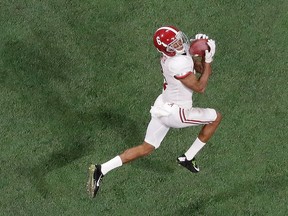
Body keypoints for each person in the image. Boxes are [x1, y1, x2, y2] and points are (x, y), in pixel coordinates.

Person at [87, 26, 222, 198]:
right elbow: (200, 86)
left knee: (147, 147)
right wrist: (208, 59)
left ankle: (101, 169)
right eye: (175, 43)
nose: (180, 43)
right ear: (168, 49)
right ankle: (188, 157)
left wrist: (201, 52)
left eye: (179, 38)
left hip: (163, 106)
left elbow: (196, 68)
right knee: (216, 117)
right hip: (177, 112)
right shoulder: (176, 63)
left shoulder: (173, 57)